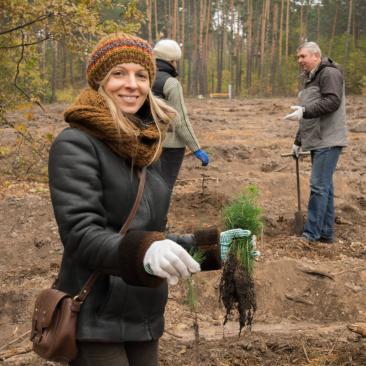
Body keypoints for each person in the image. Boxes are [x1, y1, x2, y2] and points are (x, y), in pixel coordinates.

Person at [48, 32, 249, 366]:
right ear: (100, 80)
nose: (132, 84)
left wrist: (212, 249)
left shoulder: (146, 146)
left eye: (141, 75)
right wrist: (145, 250)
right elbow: (81, 236)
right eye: (119, 74)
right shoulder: (76, 144)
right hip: (96, 315)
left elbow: (149, 236)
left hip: (143, 310)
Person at [284, 41, 347, 243]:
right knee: (325, 187)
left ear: (316, 56)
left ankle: (310, 235)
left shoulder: (329, 74)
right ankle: (326, 234)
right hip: (317, 139)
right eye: (298, 57)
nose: (299, 61)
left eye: (303, 56)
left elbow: (332, 101)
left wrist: (304, 111)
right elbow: (308, 113)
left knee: (318, 186)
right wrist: (298, 140)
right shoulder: (310, 79)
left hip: (328, 139)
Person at [152, 39, 209, 193]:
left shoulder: (144, 78)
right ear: (171, 61)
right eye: (176, 61)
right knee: (164, 189)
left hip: (148, 142)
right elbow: (180, 120)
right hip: (170, 147)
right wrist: (196, 149)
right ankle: (159, 217)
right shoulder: (171, 84)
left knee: (148, 187)